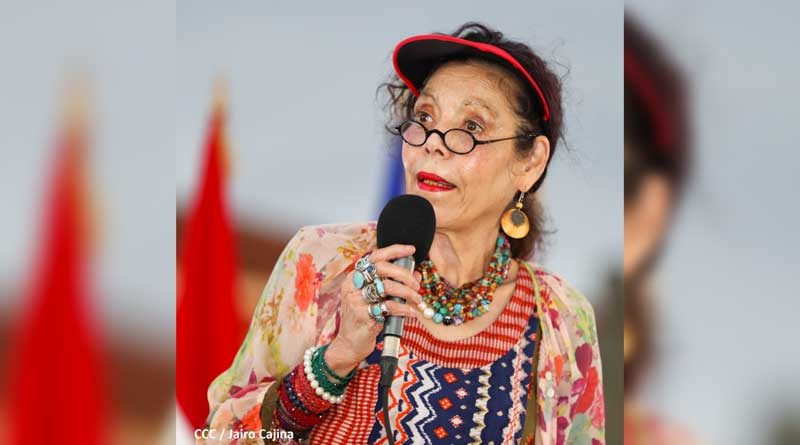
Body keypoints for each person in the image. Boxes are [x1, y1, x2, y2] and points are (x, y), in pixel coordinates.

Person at [198, 22, 605, 445]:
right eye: (424, 118)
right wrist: (333, 362)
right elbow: (215, 437)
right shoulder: (320, 261)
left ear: (530, 162)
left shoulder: (560, 318)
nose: (434, 143)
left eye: (471, 127)